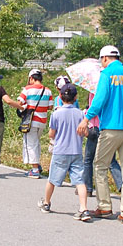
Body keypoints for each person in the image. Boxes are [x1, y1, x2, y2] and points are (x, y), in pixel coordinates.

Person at [76, 45, 123, 224]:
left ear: (104, 59)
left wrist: (86, 119)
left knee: (100, 166)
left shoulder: (106, 75)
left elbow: (100, 99)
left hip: (111, 128)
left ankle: (104, 206)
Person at [38, 84, 90, 221]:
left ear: (60, 97)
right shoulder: (81, 114)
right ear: (76, 97)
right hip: (76, 151)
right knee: (79, 181)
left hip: (60, 151)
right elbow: (85, 132)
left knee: (52, 179)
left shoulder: (56, 114)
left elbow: (51, 134)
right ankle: (84, 209)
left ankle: (46, 203)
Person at [82, 89, 123, 198]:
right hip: (107, 127)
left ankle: (87, 188)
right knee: (111, 160)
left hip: (95, 127)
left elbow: (94, 109)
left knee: (88, 159)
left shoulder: (94, 91)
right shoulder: (111, 91)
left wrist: (85, 114)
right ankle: (122, 185)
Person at [17, 69, 53, 179]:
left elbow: (19, 103)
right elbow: (50, 107)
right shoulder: (47, 91)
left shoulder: (27, 89)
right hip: (42, 121)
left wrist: (27, 106)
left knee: (30, 144)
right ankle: (37, 165)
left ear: (32, 78)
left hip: (31, 121)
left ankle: (35, 170)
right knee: (36, 142)